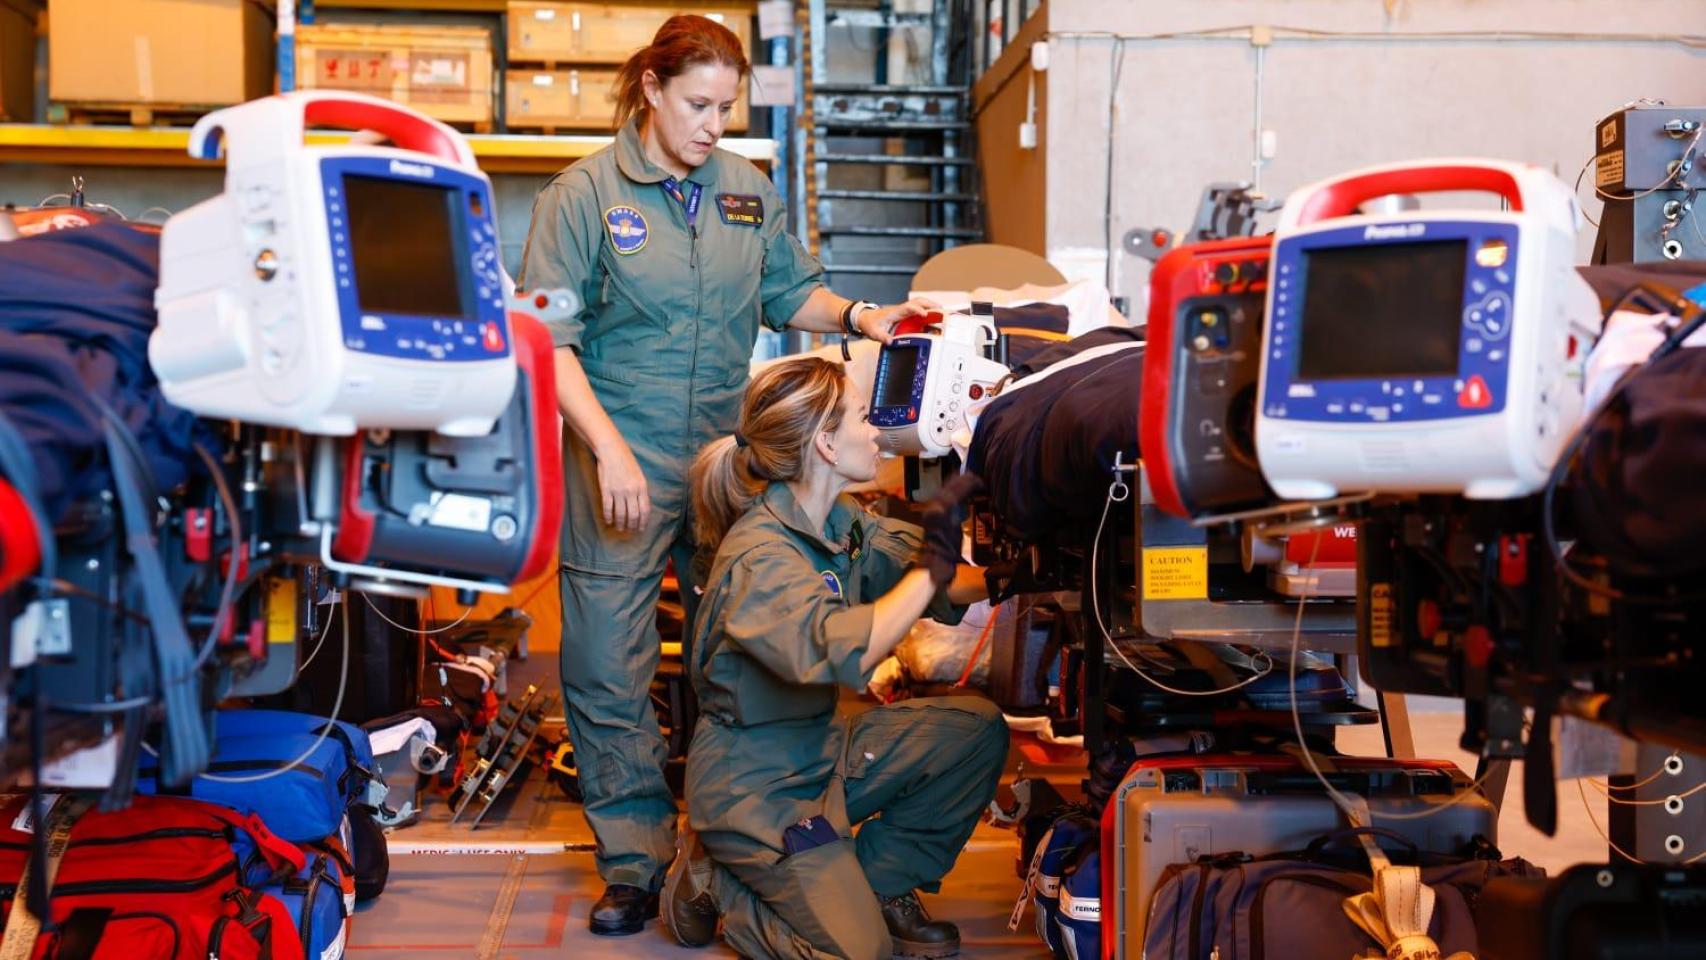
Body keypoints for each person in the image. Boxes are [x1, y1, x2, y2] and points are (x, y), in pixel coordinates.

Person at [515, 14, 941, 936]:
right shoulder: (581, 197)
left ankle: (724, 850)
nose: (714, 124)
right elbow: (547, 346)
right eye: (699, 105)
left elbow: (791, 294)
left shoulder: (747, 188)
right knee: (607, 669)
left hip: (729, 467)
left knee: (740, 663)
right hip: (618, 463)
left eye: (727, 107)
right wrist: (610, 449)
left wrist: (865, 315)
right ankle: (633, 861)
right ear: (651, 93)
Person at [660, 357, 1008, 960]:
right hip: (757, 787)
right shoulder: (761, 558)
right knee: (860, 955)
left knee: (973, 732)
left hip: (820, 752)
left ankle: (873, 885)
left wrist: (1015, 575)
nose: (878, 431)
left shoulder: (834, 519)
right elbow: (847, 643)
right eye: (862, 418)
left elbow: (912, 569)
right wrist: (932, 571)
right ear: (824, 443)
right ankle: (720, 883)